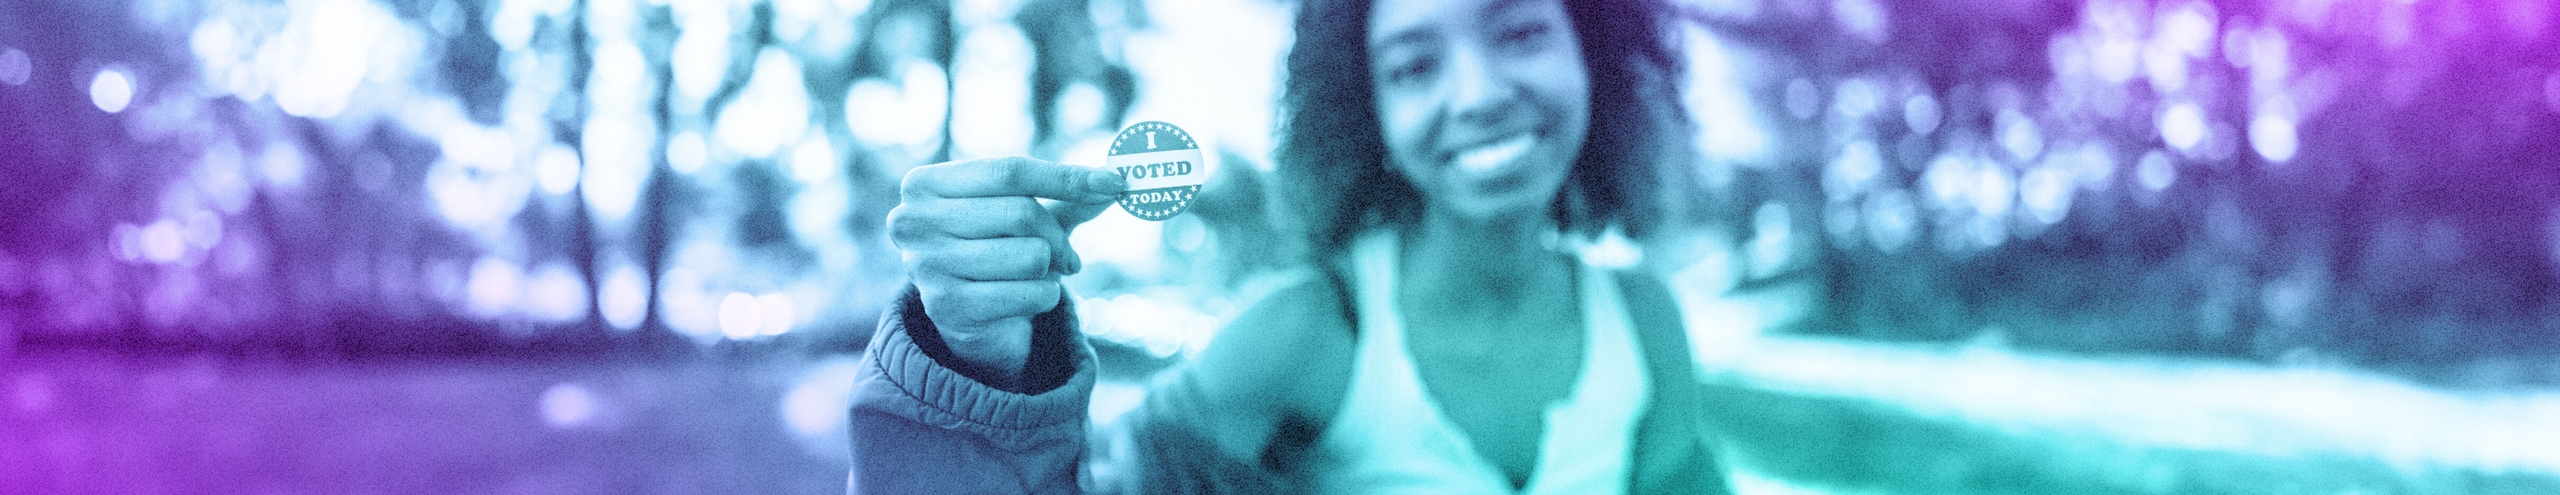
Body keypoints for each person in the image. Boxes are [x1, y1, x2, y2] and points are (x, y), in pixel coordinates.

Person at [847, 0, 1730, 492]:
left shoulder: (1643, 321)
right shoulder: (1302, 333)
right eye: (1414, 65)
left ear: (1597, 54)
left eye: (1521, 31)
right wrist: (976, 369)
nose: (1477, 95)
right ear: (1366, 110)